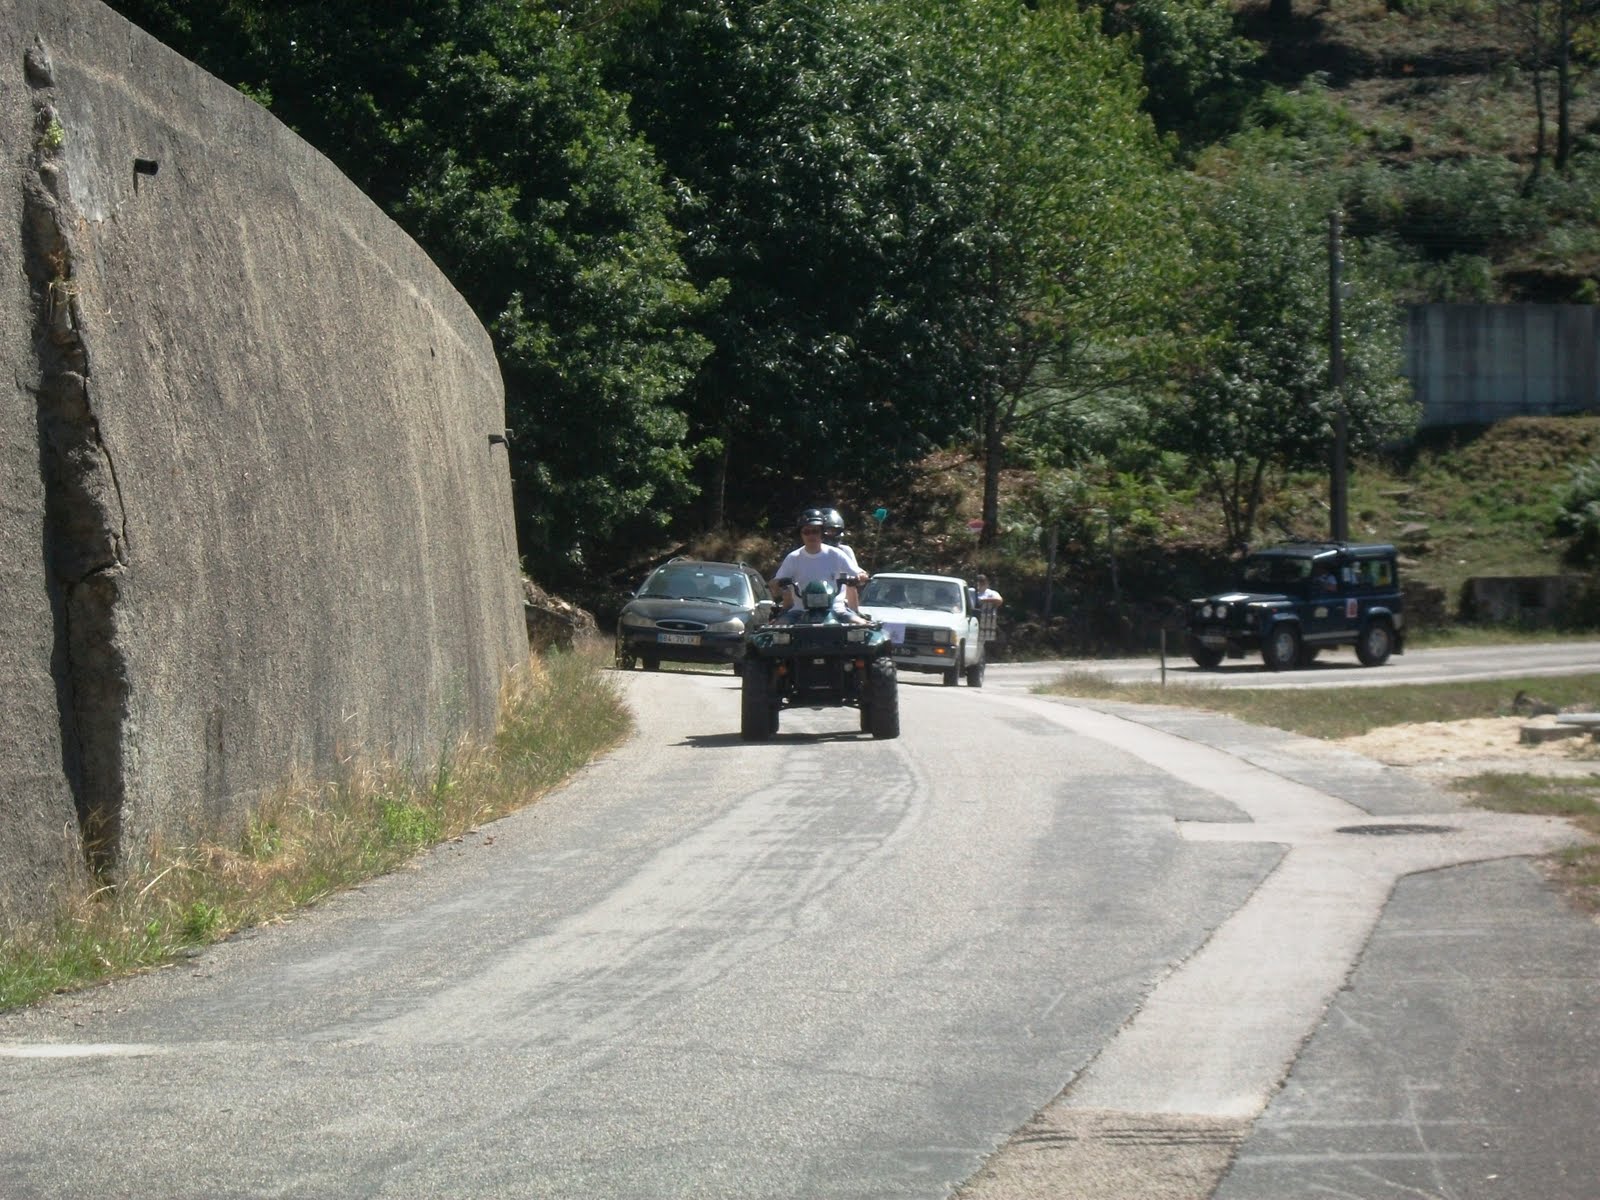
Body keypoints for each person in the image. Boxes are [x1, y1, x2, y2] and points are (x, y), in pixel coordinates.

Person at [771, 509, 867, 621]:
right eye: (806, 532)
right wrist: (776, 583)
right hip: (800, 611)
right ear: (801, 534)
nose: (811, 535)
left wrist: (861, 576)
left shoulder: (836, 554)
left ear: (822, 533)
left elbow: (859, 573)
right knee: (779, 627)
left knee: (860, 625)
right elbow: (776, 582)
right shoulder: (793, 558)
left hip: (836, 610)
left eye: (815, 531)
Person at [819, 506, 868, 611]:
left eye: (834, 531)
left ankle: (855, 613)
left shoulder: (844, 551)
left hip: (839, 602)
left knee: (851, 587)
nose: (830, 534)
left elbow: (855, 573)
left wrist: (860, 576)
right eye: (827, 530)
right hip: (811, 601)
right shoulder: (805, 552)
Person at [974, 574, 1003, 647]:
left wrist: (984, 600)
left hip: (988, 622)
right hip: (975, 621)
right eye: (979, 582)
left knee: (985, 643)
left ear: (986, 583)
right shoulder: (972, 592)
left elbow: (999, 601)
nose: (980, 585)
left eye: (982, 582)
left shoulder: (992, 593)